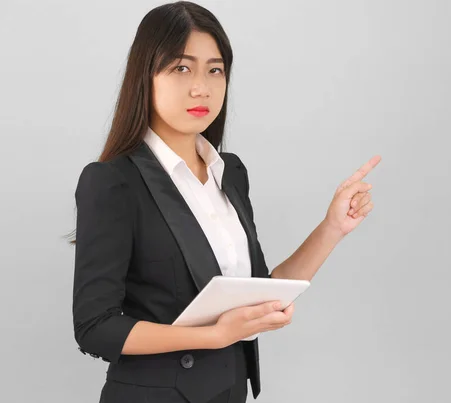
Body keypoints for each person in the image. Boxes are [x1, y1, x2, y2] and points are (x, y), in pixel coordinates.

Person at [70, 2, 380, 402]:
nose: (202, 86)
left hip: (227, 391)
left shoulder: (229, 171)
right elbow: (95, 326)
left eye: (215, 69)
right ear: (145, 76)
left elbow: (261, 290)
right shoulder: (113, 181)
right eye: (181, 68)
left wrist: (332, 227)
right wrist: (214, 335)